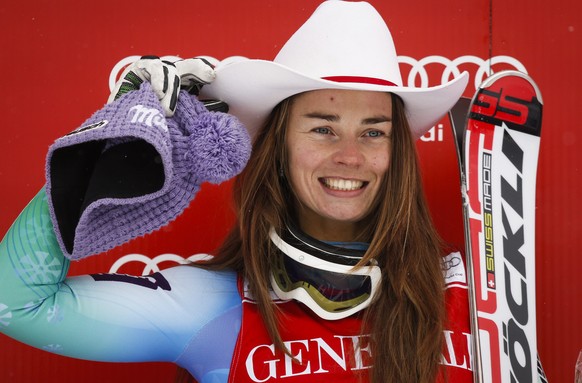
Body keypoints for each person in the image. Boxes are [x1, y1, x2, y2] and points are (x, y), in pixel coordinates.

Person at [0, 1, 474, 382]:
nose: (350, 156)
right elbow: (15, 304)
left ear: (397, 155)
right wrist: (108, 145)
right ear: (277, 147)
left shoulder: (470, 296)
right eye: (323, 129)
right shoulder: (209, 303)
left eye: (373, 132)